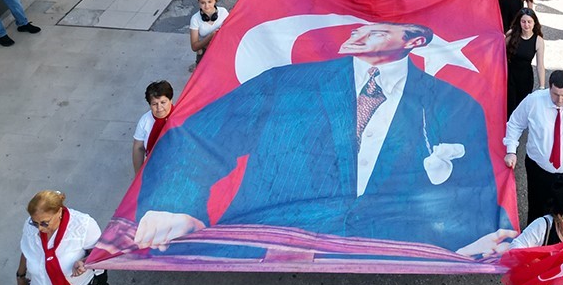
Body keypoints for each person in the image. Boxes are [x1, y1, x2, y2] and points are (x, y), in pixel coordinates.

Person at [134, 22, 514, 254]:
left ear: (413, 40)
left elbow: (474, 186)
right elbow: (199, 140)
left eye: (377, 30)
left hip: (394, 252)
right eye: (358, 29)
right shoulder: (287, 82)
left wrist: (485, 237)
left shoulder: (454, 104)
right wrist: (170, 204)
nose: (359, 33)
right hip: (270, 245)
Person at [504, 70, 563, 223]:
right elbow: (515, 124)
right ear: (549, 88)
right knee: (538, 214)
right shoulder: (533, 102)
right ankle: (537, 244)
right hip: (539, 173)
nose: (560, 100)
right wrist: (511, 150)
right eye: (555, 94)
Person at [16, 190, 116, 285]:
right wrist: (20, 276)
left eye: (45, 223)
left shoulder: (83, 225)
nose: (40, 228)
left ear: (59, 211)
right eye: (35, 222)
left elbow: (101, 255)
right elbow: (27, 251)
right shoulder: (30, 226)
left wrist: (85, 262)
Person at [505, 8, 546, 117]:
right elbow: (500, 53)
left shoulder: (538, 41)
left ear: (534, 23)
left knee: (522, 106)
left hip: (525, 78)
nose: (526, 25)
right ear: (519, 22)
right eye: (523, 21)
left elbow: (540, 65)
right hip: (509, 76)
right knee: (509, 106)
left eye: (529, 22)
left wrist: (542, 87)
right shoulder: (512, 35)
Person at [132, 80, 175, 174]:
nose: (159, 108)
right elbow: (138, 147)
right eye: (155, 104)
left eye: (163, 102)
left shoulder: (181, 117)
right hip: (153, 168)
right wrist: (138, 176)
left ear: (170, 100)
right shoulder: (145, 120)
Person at [189, 0, 229, 65]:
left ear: (215, 0)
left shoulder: (223, 12)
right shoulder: (195, 19)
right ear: (198, 2)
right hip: (206, 53)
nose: (206, 6)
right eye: (203, 3)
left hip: (223, 50)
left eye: (210, 2)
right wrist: (211, 36)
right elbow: (194, 46)